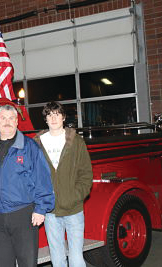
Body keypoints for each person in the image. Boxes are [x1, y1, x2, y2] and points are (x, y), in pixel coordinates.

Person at [0, 104, 55, 267]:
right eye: (3, 118)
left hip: (24, 215)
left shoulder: (29, 146)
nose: (7, 122)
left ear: (17, 122)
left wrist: (41, 209)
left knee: (27, 263)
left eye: (11, 118)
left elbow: (42, 178)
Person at [34, 101, 93, 267]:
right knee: (57, 257)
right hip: (50, 211)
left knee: (76, 258)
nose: (53, 118)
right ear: (45, 119)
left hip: (73, 209)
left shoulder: (76, 141)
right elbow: (33, 176)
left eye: (57, 114)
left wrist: (75, 196)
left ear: (63, 117)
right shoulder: (37, 143)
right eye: (49, 115)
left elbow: (86, 173)